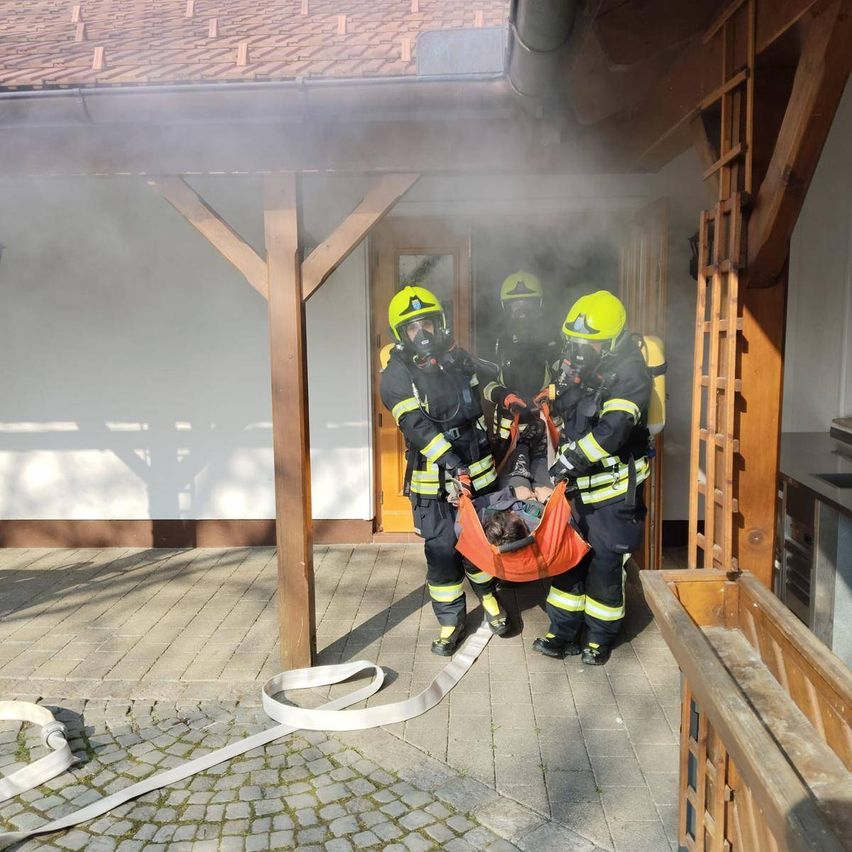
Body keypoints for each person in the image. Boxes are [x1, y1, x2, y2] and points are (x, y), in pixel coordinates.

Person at [380, 285, 511, 656]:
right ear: (401, 335)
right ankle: (451, 620)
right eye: (412, 328)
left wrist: (504, 396)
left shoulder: (457, 359)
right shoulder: (395, 375)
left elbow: (483, 386)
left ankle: (490, 602)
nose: (422, 333)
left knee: (482, 543)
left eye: (427, 324)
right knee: (441, 551)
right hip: (433, 480)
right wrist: (453, 465)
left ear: (440, 325)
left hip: (479, 471)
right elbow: (416, 426)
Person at [532, 290, 651, 666]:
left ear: (613, 341)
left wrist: (570, 460)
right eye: (576, 341)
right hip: (578, 491)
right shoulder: (584, 366)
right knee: (567, 559)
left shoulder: (631, 372)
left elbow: (614, 429)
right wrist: (554, 392)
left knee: (603, 565)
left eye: (591, 343)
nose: (581, 349)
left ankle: (599, 638)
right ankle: (562, 631)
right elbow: (572, 400)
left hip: (614, 494)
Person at [484, 271, 557, 502]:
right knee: (513, 491)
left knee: (548, 489)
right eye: (516, 305)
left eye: (528, 304)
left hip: (545, 424)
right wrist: (504, 395)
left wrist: (552, 392)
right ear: (506, 307)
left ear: (540, 305)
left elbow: (566, 377)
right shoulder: (495, 340)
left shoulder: (552, 338)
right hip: (509, 428)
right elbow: (485, 382)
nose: (522, 311)